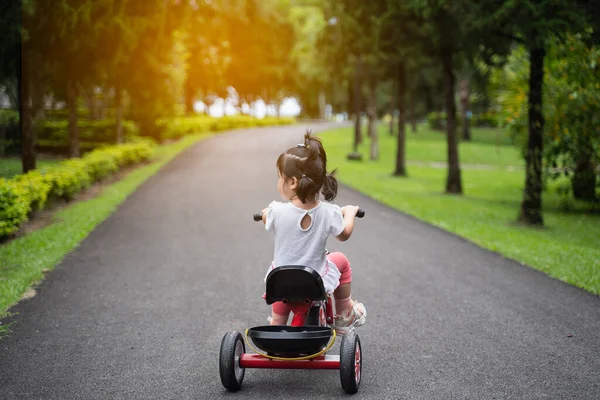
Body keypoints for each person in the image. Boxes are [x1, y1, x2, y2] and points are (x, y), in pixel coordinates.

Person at [259, 131, 367, 334]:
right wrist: (350, 213)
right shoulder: (329, 212)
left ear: (292, 182)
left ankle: (277, 327)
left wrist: (265, 213)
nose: (278, 182)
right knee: (341, 260)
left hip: (280, 282)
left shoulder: (276, 211)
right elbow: (344, 234)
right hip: (314, 281)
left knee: (280, 300)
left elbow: (266, 216)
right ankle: (344, 315)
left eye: (278, 177)